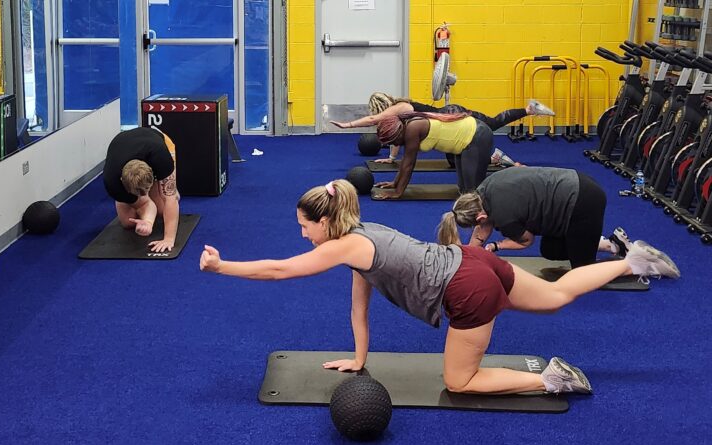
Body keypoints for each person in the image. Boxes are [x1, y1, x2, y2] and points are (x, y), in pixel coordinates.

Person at [199, 179, 680, 395]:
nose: (303, 235)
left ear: (325, 222)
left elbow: (281, 270)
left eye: (305, 226)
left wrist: (223, 269)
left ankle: (551, 379)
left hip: (466, 290)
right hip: (470, 261)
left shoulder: (339, 246)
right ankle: (632, 260)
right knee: (556, 296)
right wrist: (360, 357)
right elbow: (359, 305)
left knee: (459, 382)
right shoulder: (360, 234)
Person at [442, 166, 633, 268]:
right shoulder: (484, 188)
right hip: (576, 183)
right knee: (551, 250)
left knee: (584, 272)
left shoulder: (504, 216)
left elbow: (526, 241)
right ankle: (613, 244)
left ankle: (635, 263)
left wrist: (496, 246)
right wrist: (467, 256)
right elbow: (482, 229)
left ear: (480, 216)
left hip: (583, 202)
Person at [330, 92, 554, 163]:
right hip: (443, 122)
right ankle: (499, 159)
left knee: (491, 126)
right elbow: (398, 137)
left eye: (379, 112)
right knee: (454, 159)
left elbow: (373, 121)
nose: (379, 117)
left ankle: (529, 109)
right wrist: (391, 158)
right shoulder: (398, 114)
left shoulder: (400, 107)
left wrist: (346, 124)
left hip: (450, 116)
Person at [372, 111, 493, 198]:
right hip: (462, 143)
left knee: (473, 193)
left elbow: (409, 165)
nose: (394, 144)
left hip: (476, 136)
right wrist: (395, 183)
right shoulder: (407, 125)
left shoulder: (412, 129)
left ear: (398, 133)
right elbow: (405, 161)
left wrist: (398, 192)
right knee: (463, 190)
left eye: (393, 141)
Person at [102, 127, 180, 252]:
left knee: (162, 209)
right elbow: (145, 203)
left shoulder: (161, 159)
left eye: (146, 190)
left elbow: (170, 200)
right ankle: (136, 195)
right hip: (123, 145)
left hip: (158, 143)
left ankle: (161, 186)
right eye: (140, 192)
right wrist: (148, 222)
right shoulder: (112, 181)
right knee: (128, 223)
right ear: (123, 182)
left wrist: (168, 239)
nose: (144, 194)